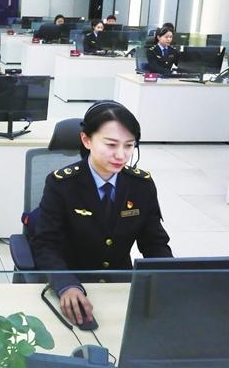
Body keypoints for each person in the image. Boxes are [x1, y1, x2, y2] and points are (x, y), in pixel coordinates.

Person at [30, 101, 172, 326]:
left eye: (129, 146)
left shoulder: (141, 185)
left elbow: (154, 243)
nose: (121, 155)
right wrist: (66, 284)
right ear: (86, 140)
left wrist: (169, 278)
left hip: (120, 287)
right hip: (73, 285)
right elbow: (46, 244)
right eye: (111, 145)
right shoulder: (62, 184)